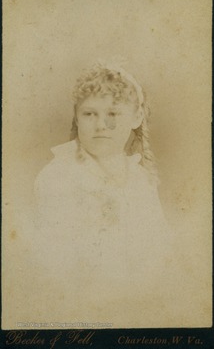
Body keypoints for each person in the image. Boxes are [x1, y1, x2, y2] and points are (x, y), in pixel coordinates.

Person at [33, 61, 175, 326]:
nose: (101, 125)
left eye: (113, 114)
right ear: (76, 117)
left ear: (136, 117)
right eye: (89, 114)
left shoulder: (140, 178)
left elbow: (161, 250)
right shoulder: (58, 177)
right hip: (80, 313)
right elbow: (54, 264)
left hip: (142, 308)